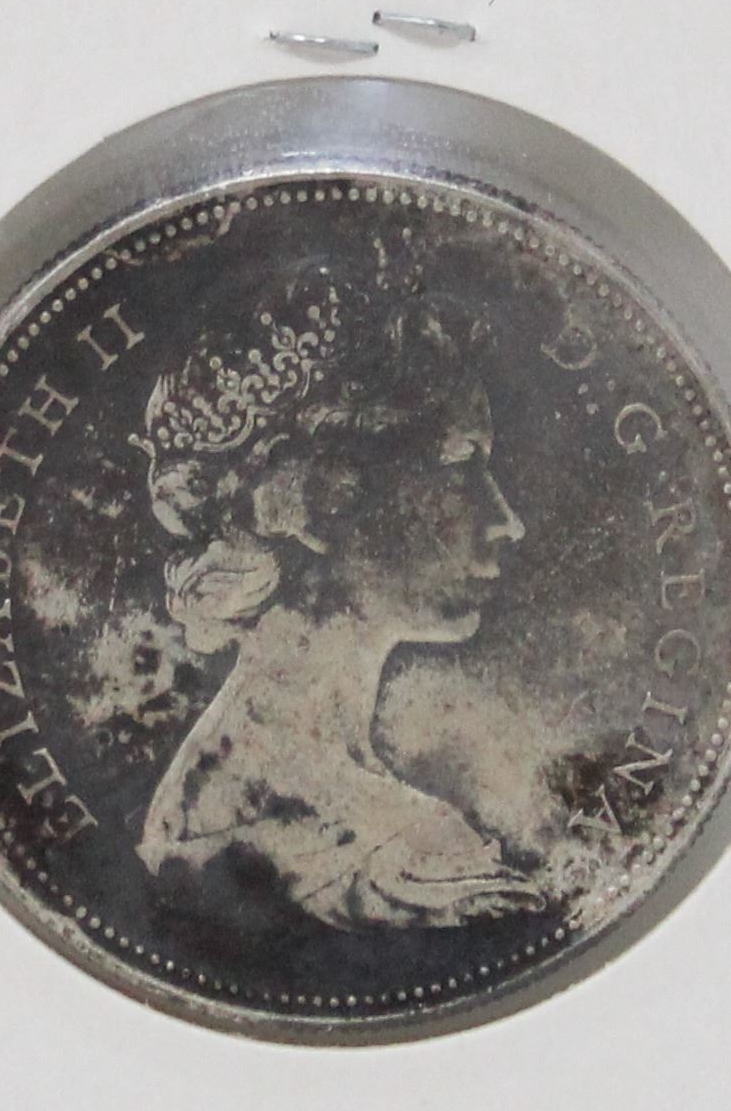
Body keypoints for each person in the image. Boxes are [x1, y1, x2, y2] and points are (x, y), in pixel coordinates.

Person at [130, 257, 545, 931]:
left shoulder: (192, 799)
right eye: (460, 465)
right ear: (322, 503)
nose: (506, 520)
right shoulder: (415, 858)